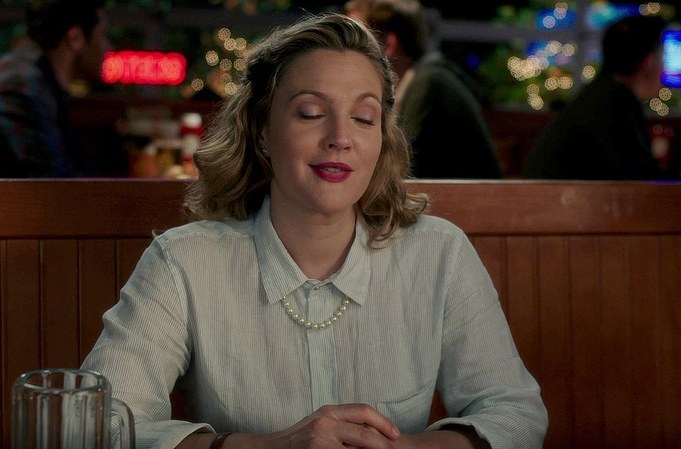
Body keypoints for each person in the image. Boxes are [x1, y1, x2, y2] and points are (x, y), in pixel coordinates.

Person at [80, 12, 547, 449]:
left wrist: (407, 448)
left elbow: (516, 413)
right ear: (262, 130)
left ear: (382, 136)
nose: (340, 137)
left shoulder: (440, 253)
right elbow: (97, 425)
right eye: (309, 113)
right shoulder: (184, 262)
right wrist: (267, 447)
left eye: (363, 118)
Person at [344, 0, 503, 179]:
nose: (342, 49)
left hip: (473, 197)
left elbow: (395, 170)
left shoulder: (429, 84)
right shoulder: (413, 82)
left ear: (389, 44)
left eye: (355, 39)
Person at [523, 14, 670, 180]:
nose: (664, 67)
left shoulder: (601, 93)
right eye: (662, 56)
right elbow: (640, 176)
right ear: (649, 61)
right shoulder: (614, 102)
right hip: (562, 196)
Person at [0, 0, 111, 177]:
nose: (108, 48)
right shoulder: (21, 86)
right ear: (75, 38)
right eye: (103, 35)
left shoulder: (43, 85)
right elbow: (52, 184)